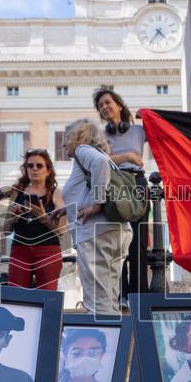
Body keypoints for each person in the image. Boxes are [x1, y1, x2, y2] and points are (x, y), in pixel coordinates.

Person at [48, 119, 132, 316]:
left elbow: (99, 164)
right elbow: (86, 187)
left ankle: (103, 342)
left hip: (95, 234)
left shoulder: (83, 151)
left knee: (96, 300)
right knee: (109, 298)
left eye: (66, 138)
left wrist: (96, 204)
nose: (63, 144)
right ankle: (115, 340)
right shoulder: (99, 155)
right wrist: (67, 210)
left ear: (78, 138)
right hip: (116, 231)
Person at [93, 88, 149, 306]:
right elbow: (99, 159)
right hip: (114, 184)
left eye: (108, 102)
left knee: (139, 241)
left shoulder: (137, 131)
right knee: (118, 241)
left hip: (137, 183)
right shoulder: (100, 136)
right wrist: (128, 156)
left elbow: (164, 134)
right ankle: (120, 294)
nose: (105, 107)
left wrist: (149, 115)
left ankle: (138, 296)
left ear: (119, 105)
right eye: (100, 106)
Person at [4, 148, 65, 291]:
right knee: (15, 295)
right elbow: (5, 231)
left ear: (48, 170)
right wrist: (13, 218)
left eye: (39, 165)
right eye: (30, 166)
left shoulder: (57, 194)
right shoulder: (16, 193)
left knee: (48, 295)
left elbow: (62, 230)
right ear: (25, 169)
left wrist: (43, 217)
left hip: (48, 249)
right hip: (20, 249)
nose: (34, 169)